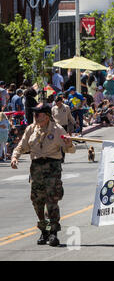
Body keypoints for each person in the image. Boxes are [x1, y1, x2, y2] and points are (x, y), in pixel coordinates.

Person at [10, 103, 75, 246]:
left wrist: (69, 143)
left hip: (52, 168)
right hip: (36, 168)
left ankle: (53, 233)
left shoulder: (57, 130)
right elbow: (22, 146)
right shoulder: (31, 129)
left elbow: (70, 150)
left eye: (38, 114)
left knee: (51, 201)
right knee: (37, 202)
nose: (35, 116)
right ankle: (44, 230)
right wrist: (15, 157)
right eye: (34, 113)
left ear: (46, 116)